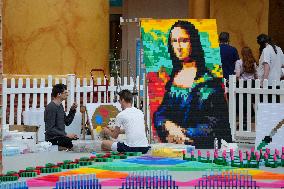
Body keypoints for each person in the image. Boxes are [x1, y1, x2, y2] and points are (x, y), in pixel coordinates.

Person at [153, 20, 232, 149]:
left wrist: (183, 133)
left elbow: (214, 123)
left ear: (193, 42)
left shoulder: (209, 83)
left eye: (184, 40)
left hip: (202, 149)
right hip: (173, 146)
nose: (178, 46)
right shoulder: (174, 78)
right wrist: (168, 125)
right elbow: (160, 113)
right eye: (174, 41)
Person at [101, 89, 150, 154]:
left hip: (131, 148)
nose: (120, 103)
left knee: (104, 144)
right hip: (145, 147)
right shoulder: (140, 112)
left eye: (119, 101)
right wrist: (115, 130)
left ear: (123, 100)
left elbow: (114, 136)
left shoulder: (121, 115)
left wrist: (107, 131)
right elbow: (134, 129)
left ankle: (111, 159)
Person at [44, 84, 78, 150]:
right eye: (65, 92)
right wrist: (66, 135)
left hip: (60, 137)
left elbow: (67, 122)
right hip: (52, 139)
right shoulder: (51, 107)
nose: (67, 94)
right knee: (73, 144)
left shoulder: (60, 106)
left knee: (76, 141)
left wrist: (72, 110)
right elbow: (50, 129)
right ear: (59, 94)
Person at [234, 47, 257, 130]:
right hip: (253, 84)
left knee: (242, 104)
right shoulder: (253, 62)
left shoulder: (239, 62)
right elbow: (256, 75)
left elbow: (237, 75)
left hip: (243, 84)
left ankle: (243, 122)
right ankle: (250, 118)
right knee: (250, 102)